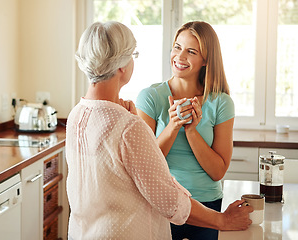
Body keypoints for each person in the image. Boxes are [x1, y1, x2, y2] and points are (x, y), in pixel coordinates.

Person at [66, 21, 252, 240]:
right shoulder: (129, 124)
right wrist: (223, 220)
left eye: (191, 51)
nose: (180, 56)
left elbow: (116, 175)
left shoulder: (76, 115)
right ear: (122, 66)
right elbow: (168, 199)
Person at [135, 21, 234, 239]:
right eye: (177, 47)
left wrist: (191, 132)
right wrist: (173, 126)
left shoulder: (221, 102)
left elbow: (218, 171)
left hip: (208, 206)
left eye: (191, 51)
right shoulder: (150, 97)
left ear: (206, 59)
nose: (179, 57)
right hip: (163, 203)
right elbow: (144, 166)